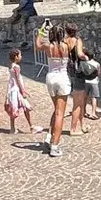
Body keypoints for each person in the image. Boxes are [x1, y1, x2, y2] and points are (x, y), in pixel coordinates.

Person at [42, 23, 73, 157]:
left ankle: (49, 136)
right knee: (60, 113)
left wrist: (42, 30)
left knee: (56, 110)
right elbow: (72, 42)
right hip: (62, 78)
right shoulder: (66, 46)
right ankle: (55, 145)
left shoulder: (48, 47)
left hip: (51, 77)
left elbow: (38, 43)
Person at [65, 26, 100, 135]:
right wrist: (86, 58)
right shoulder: (77, 40)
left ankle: (81, 125)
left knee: (79, 101)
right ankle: (74, 128)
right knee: (78, 103)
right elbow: (80, 54)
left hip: (69, 70)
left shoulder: (64, 41)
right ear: (76, 31)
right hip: (78, 72)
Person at [2, 47, 41, 135]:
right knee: (26, 107)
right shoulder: (17, 67)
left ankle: (12, 128)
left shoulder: (10, 65)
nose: (21, 57)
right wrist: (23, 91)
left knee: (13, 108)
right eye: (20, 55)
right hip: (17, 90)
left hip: (12, 89)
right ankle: (31, 126)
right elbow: (18, 79)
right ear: (16, 57)